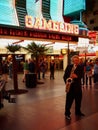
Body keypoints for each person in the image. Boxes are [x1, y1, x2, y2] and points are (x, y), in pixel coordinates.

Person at [63, 55, 85, 120]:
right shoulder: (69, 67)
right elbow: (65, 76)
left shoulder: (81, 67)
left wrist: (77, 76)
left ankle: (78, 112)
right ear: (72, 61)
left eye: (77, 60)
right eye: (75, 60)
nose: (76, 61)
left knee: (78, 101)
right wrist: (67, 82)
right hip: (70, 87)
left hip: (78, 87)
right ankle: (67, 114)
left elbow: (82, 75)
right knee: (69, 102)